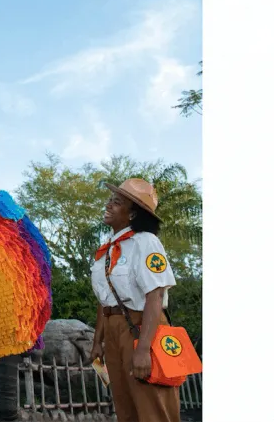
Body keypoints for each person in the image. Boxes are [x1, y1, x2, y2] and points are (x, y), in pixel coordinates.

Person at [89, 178, 180, 422]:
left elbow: (155, 295)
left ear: (131, 215)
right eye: (110, 200)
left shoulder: (146, 242)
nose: (108, 205)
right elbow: (105, 298)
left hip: (141, 327)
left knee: (152, 405)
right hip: (113, 328)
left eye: (116, 202)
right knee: (125, 406)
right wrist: (98, 340)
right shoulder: (106, 248)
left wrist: (143, 349)